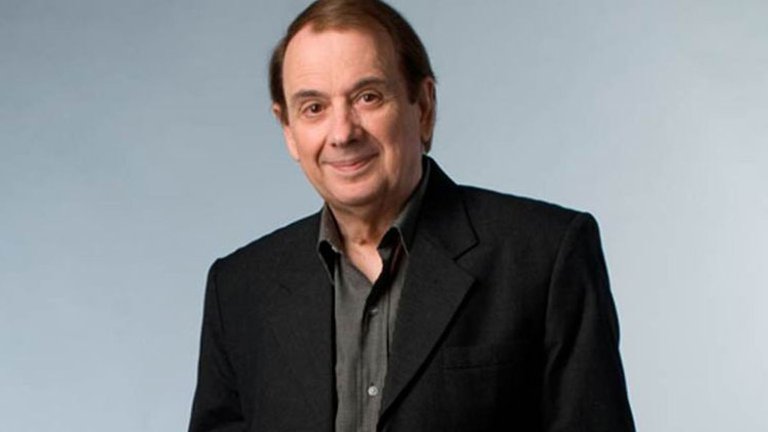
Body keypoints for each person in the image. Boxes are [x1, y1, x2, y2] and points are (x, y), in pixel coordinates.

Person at [188, 1, 635, 431]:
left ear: (423, 107)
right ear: (288, 129)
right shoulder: (239, 290)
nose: (342, 133)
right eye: (314, 108)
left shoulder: (544, 256)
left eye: (367, 97)